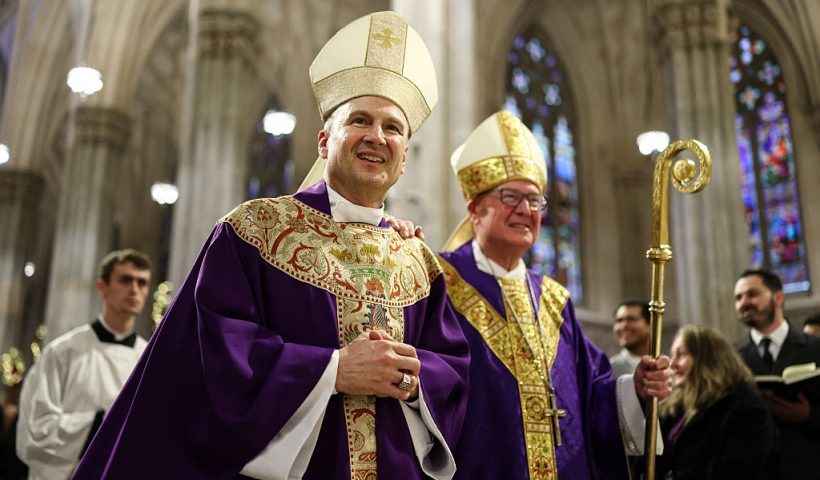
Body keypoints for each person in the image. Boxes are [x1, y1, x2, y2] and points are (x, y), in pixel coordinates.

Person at [74, 11, 469, 480]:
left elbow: (455, 371)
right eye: (360, 120)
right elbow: (215, 358)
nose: (377, 137)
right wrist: (333, 370)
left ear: (404, 160)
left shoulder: (419, 262)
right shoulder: (253, 231)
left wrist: (413, 379)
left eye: (393, 128)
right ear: (325, 141)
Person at [436, 111, 672, 479]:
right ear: (473, 209)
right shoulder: (439, 282)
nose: (525, 210)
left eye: (535, 201)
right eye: (510, 196)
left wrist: (637, 388)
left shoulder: (554, 299)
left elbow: (592, 392)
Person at [15, 249, 151, 480]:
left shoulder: (148, 358)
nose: (134, 289)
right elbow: (35, 431)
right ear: (103, 287)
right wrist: (100, 423)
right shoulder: (62, 351)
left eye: (142, 282)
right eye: (126, 280)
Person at [649, 325, 780, 479]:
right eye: (673, 355)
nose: (673, 364)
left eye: (681, 355)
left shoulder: (744, 406)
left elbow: (737, 468)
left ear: (708, 359)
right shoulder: (675, 407)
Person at [733, 269, 820, 479]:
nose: (744, 302)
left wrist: (809, 415)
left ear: (778, 297)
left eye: (752, 294)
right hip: (754, 469)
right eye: (738, 297)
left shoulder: (815, 347)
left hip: (808, 465)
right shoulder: (731, 356)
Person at [610, 300, 652, 377]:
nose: (624, 326)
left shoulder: (668, 367)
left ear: (650, 325)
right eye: (619, 321)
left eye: (631, 319)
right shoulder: (608, 370)